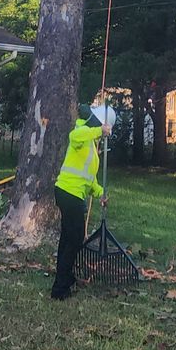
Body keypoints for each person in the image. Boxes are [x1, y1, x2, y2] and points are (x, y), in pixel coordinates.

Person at [51, 103, 112, 301]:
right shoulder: (81, 131)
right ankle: (60, 288)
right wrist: (98, 130)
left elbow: (89, 178)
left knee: (68, 238)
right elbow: (74, 137)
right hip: (68, 193)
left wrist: (100, 193)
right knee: (75, 239)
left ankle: (64, 278)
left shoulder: (92, 147)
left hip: (73, 194)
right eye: (104, 129)